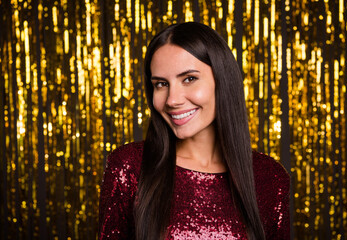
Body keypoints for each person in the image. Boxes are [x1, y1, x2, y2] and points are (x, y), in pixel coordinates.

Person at [99, 22, 290, 240]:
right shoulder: (129, 167)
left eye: (189, 79)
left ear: (222, 81)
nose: (172, 100)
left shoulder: (269, 178)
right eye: (161, 84)